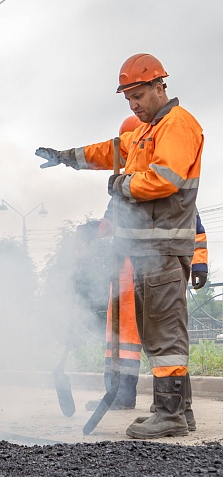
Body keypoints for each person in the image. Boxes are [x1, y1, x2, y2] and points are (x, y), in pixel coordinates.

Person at [36, 54, 204, 439]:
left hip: (163, 249)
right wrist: (66, 158)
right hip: (147, 251)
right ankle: (181, 411)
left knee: (164, 334)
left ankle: (171, 414)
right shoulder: (146, 131)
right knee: (158, 333)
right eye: (128, 99)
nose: (134, 105)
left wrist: (121, 186)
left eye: (139, 96)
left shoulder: (177, 125)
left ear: (160, 86)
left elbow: (165, 179)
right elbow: (107, 151)